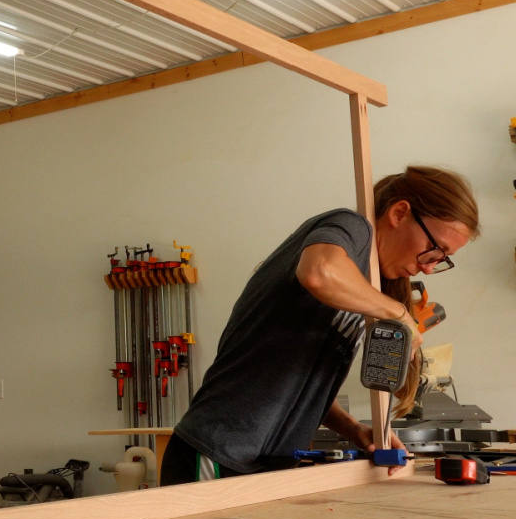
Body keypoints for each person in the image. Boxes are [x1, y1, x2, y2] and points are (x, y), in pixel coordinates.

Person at [159, 166, 479, 486]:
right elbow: (318, 272)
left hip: (264, 463)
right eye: (435, 248)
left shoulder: (364, 288)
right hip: (221, 451)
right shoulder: (351, 227)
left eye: (442, 260)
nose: (429, 265)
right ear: (399, 212)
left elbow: (303, 383)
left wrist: (354, 429)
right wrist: (398, 313)